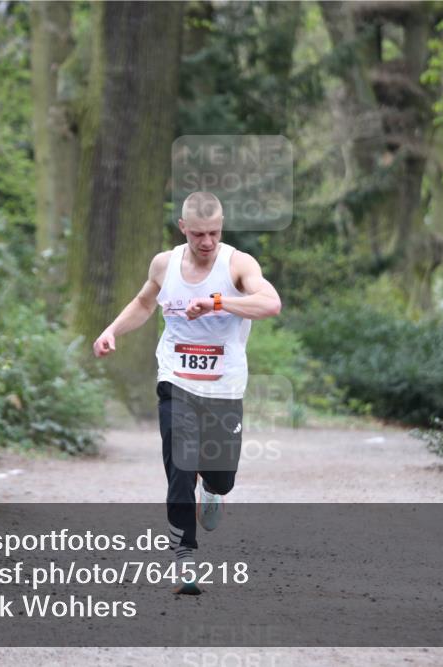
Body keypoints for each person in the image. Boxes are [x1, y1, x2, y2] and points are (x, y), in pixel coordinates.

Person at [92, 191, 282, 594]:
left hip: (224, 387)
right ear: (183, 229)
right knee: (180, 465)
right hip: (175, 380)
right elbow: (145, 303)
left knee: (220, 475)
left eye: (214, 233)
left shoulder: (238, 264)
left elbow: (270, 303)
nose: (207, 242)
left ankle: (213, 491)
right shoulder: (165, 263)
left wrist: (217, 302)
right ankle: (184, 559)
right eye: (198, 234)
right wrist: (111, 330)